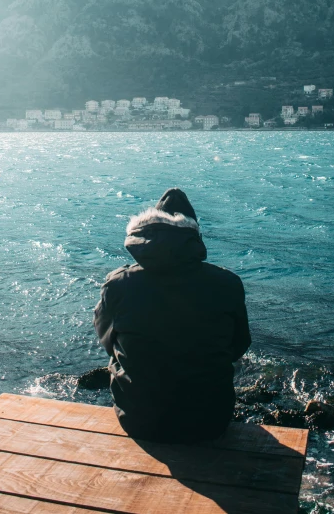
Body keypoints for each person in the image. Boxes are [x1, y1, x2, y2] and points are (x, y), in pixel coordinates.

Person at [94, 187, 251, 443]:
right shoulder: (227, 283)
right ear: (194, 237)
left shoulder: (118, 284)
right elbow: (239, 344)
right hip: (210, 421)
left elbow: (107, 341)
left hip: (139, 421)